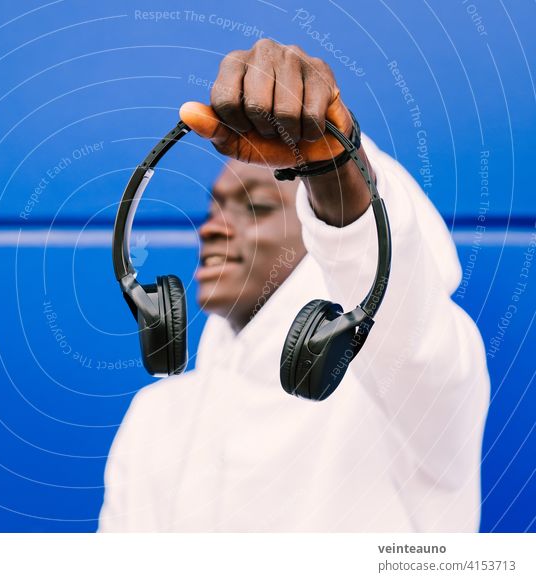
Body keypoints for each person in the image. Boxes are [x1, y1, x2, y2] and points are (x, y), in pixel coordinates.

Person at [97, 39, 490, 532]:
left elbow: (401, 315)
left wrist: (333, 171)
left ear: (317, 237)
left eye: (255, 208)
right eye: (214, 208)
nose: (213, 228)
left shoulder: (409, 387)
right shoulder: (155, 420)